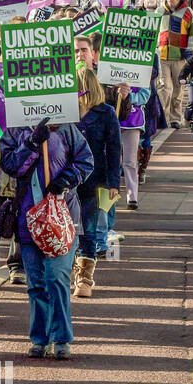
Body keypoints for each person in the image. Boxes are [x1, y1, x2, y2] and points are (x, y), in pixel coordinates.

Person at [0, 117, 94, 359]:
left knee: (57, 277)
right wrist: (31, 143)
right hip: (28, 218)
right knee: (36, 284)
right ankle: (39, 339)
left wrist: (66, 180)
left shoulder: (66, 127)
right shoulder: (15, 129)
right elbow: (10, 165)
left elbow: (85, 160)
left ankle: (61, 338)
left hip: (61, 217)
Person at [72, 67, 122, 299]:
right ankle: (72, 272)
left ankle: (84, 277)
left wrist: (114, 183)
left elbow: (114, 149)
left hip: (94, 179)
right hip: (67, 178)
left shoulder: (106, 113)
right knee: (68, 228)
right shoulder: (66, 110)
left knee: (89, 229)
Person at [155, 0, 193, 128]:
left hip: (180, 57)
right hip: (162, 56)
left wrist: (190, 55)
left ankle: (175, 118)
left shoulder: (187, 12)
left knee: (178, 89)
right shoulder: (159, 12)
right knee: (165, 89)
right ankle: (163, 118)